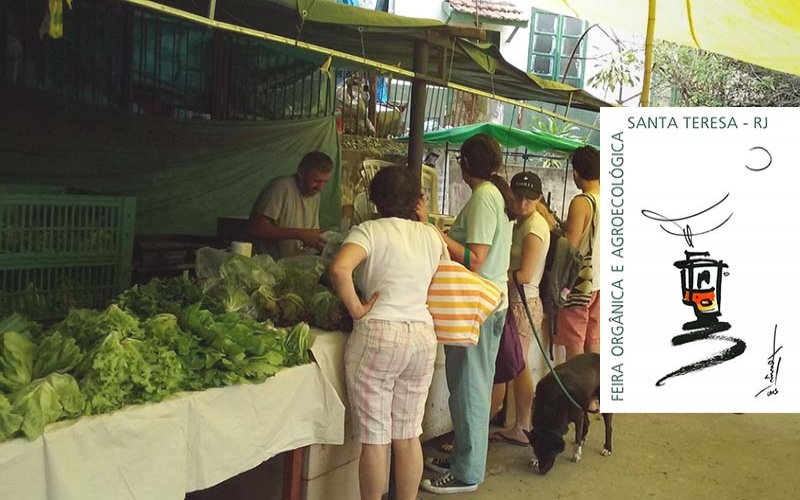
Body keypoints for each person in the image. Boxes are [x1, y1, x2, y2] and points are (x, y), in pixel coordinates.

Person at [329, 166, 443, 500]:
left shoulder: (369, 231)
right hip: (422, 336)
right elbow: (438, 279)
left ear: (375, 199)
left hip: (379, 334)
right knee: (408, 434)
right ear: (416, 198)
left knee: (376, 436)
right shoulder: (431, 235)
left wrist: (357, 308)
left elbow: (340, 268)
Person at [419, 134, 514, 495]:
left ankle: (467, 472)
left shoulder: (486, 197)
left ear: (464, 164)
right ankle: (463, 455)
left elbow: (475, 258)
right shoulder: (492, 194)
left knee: (471, 389)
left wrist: (433, 231)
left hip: (478, 305)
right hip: (485, 304)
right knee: (464, 386)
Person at [489, 171, 551, 447]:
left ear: (538, 199)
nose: (522, 204)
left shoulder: (535, 228)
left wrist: (494, 274)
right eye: (518, 198)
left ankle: (522, 425)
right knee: (517, 366)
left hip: (522, 302)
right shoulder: (523, 222)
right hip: (518, 300)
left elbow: (524, 274)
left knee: (516, 367)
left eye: (529, 200)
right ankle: (519, 424)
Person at [556, 145, 600, 360]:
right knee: (594, 342)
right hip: (604, 283)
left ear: (575, 173)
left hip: (581, 285)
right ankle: (596, 392)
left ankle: (576, 393)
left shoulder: (582, 202)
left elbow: (570, 248)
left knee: (575, 343)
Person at [249, 151, 333, 259]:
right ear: (301, 173)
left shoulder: (315, 194)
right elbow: (257, 228)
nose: (320, 187)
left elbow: (310, 233)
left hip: (291, 267)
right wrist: (300, 235)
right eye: (316, 180)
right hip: (266, 266)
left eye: (324, 182)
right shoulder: (281, 188)